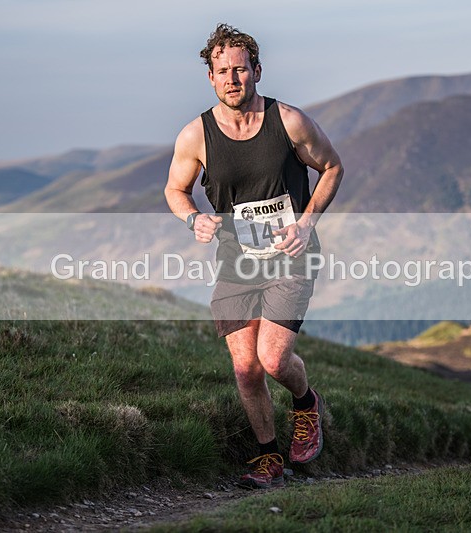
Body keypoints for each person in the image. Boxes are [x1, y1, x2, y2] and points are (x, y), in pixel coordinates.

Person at [164, 23, 343, 489]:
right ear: (210, 77)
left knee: (273, 360)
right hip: (236, 261)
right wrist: (192, 219)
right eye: (221, 71)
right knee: (244, 367)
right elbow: (175, 189)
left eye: (240, 70)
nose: (231, 79)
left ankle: (306, 404)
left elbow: (332, 166)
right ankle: (269, 458)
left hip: (290, 257)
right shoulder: (195, 136)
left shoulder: (289, 122)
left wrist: (306, 222)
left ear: (257, 71)